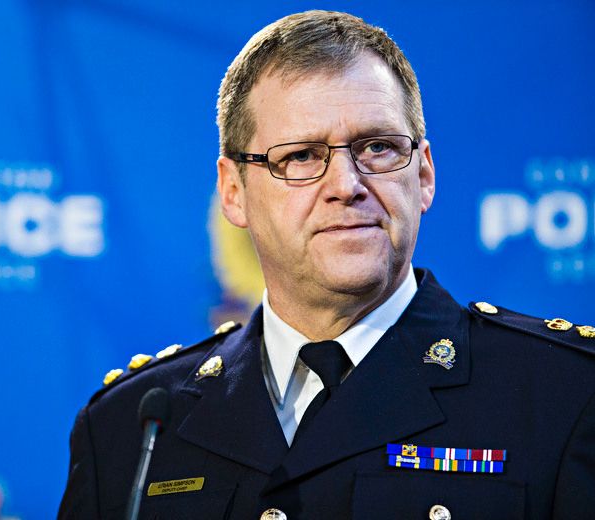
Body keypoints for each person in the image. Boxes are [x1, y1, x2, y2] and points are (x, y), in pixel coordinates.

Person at [58, 10, 595, 519]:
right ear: (233, 192)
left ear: (424, 175)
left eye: (378, 147)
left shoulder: (566, 394)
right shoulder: (131, 428)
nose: (346, 185)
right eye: (301, 156)